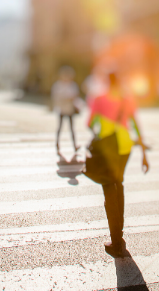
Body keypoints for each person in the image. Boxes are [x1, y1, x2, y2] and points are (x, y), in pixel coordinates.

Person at [88, 71, 149, 257]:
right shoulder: (127, 99)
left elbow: (90, 123)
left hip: (108, 148)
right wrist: (144, 153)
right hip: (125, 147)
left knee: (109, 189)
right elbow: (136, 123)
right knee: (119, 185)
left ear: (107, 82)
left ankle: (115, 242)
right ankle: (119, 235)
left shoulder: (99, 99)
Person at [52, 66, 80, 154]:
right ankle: (57, 143)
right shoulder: (58, 85)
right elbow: (56, 97)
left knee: (72, 128)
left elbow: (75, 96)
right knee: (60, 128)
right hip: (62, 109)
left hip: (70, 109)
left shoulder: (72, 85)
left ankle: (74, 145)